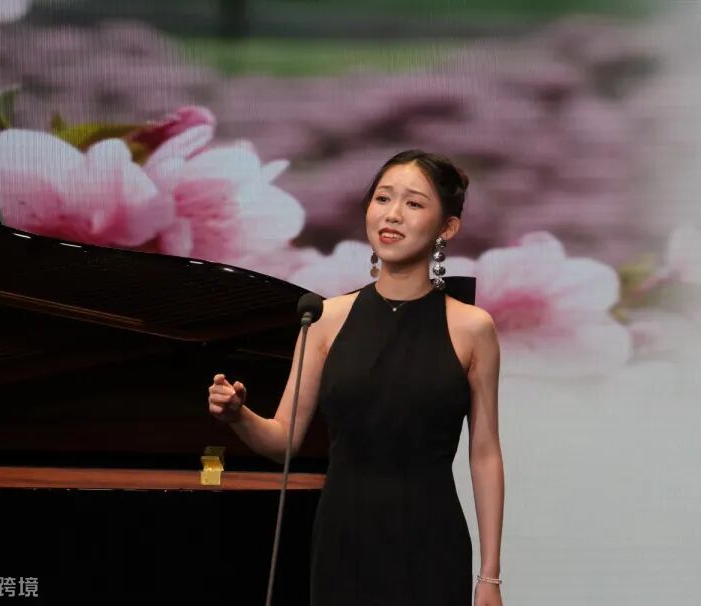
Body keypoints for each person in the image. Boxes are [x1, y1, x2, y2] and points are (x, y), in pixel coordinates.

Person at [207, 150, 505, 606]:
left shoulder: (473, 328)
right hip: (343, 541)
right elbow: (283, 440)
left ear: (447, 227)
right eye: (383, 198)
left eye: (413, 203)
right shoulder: (324, 318)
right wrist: (238, 415)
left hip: (431, 540)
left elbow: (484, 454)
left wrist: (489, 577)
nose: (392, 214)